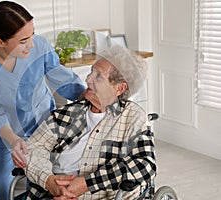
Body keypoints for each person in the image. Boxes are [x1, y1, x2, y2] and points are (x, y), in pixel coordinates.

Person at [0, 1, 86, 199]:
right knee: (2, 189)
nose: (32, 44)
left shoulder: (39, 46)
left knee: (43, 184)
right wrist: (13, 140)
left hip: (43, 125)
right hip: (3, 134)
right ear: (0, 42)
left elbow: (63, 80)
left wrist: (88, 96)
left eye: (32, 35)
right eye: (23, 41)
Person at [23, 45, 156, 199]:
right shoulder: (68, 113)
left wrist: (87, 183)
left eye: (98, 76)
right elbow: (33, 147)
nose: (87, 79)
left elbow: (145, 163)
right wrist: (49, 181)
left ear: (119, 88)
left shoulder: (133, 117)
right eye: (91, 71)